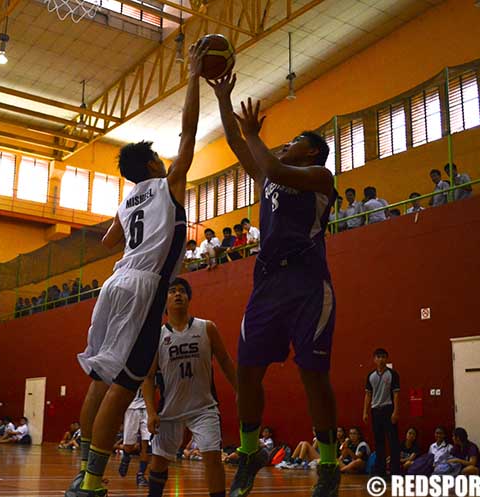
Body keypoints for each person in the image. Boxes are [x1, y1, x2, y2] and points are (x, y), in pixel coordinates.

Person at [67, 41, 207, 497]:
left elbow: (110, 241)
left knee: (99, 378)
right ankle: (91, 481)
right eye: (159, 159)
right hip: (145, 287)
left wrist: (128, 217)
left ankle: (85, 466)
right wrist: (192, 77)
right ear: (151, 164)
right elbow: (188, 134)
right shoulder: (167, 184)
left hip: (115, 281)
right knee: (124, 387)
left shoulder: (126, 200)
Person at [210, 71, 339, 497]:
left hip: (306, 282)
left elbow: (267, 161)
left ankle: (328, 466)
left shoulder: (319, 177)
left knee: (313, 375)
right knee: (247, 372)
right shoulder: (272, 175)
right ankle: (249, 454)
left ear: (313, 151)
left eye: (294, 142)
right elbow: (236, 144)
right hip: (268, 282)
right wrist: (224, 99)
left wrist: (255, 137)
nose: (285, 144)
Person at [142, 277, 237, 497]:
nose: (177, 294)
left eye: (182, 291)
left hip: (204, 407)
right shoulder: (158, 336)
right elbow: (148, 378)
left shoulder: (207, 328)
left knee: (212, 457)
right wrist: (150, 411)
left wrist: (240, 390)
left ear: (188, 298)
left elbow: (225, 361)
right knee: (159, 463)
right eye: (172, 291)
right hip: (170, 410)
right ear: (164, 301)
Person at [363, 348, 401, 477]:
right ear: (374, 359)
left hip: (388, 409)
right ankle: (381, 471)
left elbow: (396, 394)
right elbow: (368, 395)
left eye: (383, 357)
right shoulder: (370, 376)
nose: (381, 359)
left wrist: (395, 412)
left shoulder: (392, 374)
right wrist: (365, 412)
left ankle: (396, 471)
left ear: (387, 358)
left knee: (393, 441)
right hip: (375, 411)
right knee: (379, 441)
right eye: (378, 357)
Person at [117, 388, 151, 487]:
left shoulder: (154, 373)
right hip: (131, 408)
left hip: (148, 408)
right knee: (129, 445)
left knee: (148, 446)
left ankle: (141, 475)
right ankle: (126, 456)